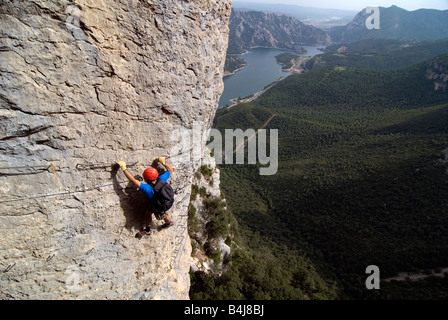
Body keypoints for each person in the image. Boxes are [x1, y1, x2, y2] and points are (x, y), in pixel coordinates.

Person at [116, 157, 174, 237]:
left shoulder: (148, 188)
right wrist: (163, 162)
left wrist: (124, 168)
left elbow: (133, 180)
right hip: (167, 201)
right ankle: (169, 223)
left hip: (158, 205)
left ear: (147, 179)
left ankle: (148, 230)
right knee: (162, 213)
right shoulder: (161, 179)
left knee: (148, 213)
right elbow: (170, 170)